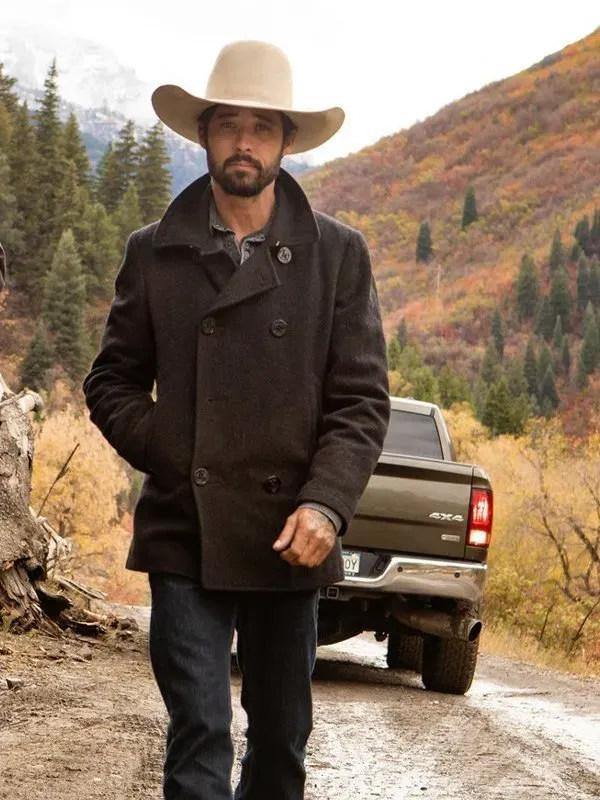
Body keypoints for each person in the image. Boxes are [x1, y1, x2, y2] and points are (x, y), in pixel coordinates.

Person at [83, 40, 390, 800]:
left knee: (281, 743)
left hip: (292, 535)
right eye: (228, 125)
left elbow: (360, 400)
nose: (243, 142)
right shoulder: (154, 253)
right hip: (185, 528)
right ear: (204, 135)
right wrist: (174, 448)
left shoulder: (337, 255)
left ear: (286, 141)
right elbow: (112, 381)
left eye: (261, 127)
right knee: (199, 732)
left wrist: (326, 504)